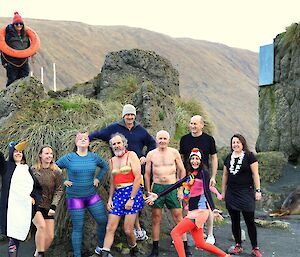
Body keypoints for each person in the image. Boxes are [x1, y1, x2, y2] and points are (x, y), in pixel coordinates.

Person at [146, 148, 231, 257]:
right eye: (192, 159)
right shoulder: (191, 174)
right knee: (200, 244)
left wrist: (213, 209)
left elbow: (206, 190)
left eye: (197, 159)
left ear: (201, 160)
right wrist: (158, 195)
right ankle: (226, 256)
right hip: (193, 211)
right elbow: (176, 185)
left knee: (175, 233)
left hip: (200, 212)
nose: (194, 161)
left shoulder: (203, 173)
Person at [89, 104, 156, 241]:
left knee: (136, 197)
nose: (130, 117)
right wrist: (85, 139)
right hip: (120, 169)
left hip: (136, 169)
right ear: (123, 116)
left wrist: (145, 155)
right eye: (127, 115)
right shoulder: (115, 128)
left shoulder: (141, 130)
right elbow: (100, 134)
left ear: (135, 116)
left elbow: (152, 143)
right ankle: (135, 229)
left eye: (132, 115)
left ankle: (137, 228)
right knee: (130, 199)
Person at [56, 132, 109, 257]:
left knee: (103, 220)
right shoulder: (69, 158)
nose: (83, 140)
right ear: (76, 142)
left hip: (91, 196)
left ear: (89, 142)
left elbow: (105, 166)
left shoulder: (93, 157)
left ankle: (100, 248)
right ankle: (77, 255)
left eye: (86, 138)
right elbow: (54, 168)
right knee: (78, 228)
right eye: (80, 139)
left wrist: (98, 179)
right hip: (75, 198)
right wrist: (64, 181)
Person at [144, 130, 191, 257]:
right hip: (157, 188)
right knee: (156, 218)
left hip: (172, 187)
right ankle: (155, 250)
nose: (162, 141)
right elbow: (147, 174)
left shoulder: (174, 152)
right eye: (160, 138)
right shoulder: (151, 154)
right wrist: (148, 192)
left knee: (178, 217)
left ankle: (186, 249)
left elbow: (182, 171)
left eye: (165, 138)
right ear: (156, 140)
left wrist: (180, 189)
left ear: (168, 140)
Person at [99, 133, 144, 257]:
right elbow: (113, 182)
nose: (117, 146)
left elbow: (137, 178)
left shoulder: (132, 155)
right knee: (110, 227)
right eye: (114, 144)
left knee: (128, 230)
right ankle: (105, 252)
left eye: (119, 143)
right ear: (112, 146)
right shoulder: (112, 160)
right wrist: (110, 199)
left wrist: (131, 199)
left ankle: (134, 249)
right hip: (118, 194)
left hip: (132, 193)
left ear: (124, 143)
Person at [221, 134, 263, 257]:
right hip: (232, 193)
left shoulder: (250, 156)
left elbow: (255, 174)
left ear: (243, 143)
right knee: (235, 221)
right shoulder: (228, 157)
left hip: (246, 192)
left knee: (250, 221)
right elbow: (225, 176)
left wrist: (258, 190)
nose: (235, 144)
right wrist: (223, 192)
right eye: (233, 142)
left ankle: (255, 247)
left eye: (238, 142)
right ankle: (238, 245)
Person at [179, 115, 218, 244]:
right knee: (186, 203)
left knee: (206, 203)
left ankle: (210, 234)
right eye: (191, 123)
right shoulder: (184, 139)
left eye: (195, 124)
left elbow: (214, 158)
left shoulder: (208, 139)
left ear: (202, 125)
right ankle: (184, 233)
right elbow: (181, 158)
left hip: (203, 176)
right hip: (188, 176)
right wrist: (180, 176)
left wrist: (213, 176)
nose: (193, 126)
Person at [0, 141, 42, 257]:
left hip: (24, 208)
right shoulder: (6, 167)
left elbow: (36, 187)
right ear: (11, 153)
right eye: (15, 151)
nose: (18, 153)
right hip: (11, 209)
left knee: (18, 236)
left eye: (20, 152)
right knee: (13, 238)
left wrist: (33, 198)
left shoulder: (27, 169)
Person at [32, 145, 64, 257]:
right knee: (41, 226)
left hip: (49, 206)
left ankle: (37, 254)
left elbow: (59, 190)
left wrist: (54, 206)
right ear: (40, 155)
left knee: (50, 236)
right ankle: (40, 253)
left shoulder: (57, 172)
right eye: (46, 153)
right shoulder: (33, 170)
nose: (49, 156)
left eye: (51, 153)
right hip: (35, 205)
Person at [1, 12, 31, 87]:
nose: (19, 25)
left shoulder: (25, 35)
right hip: (11, 63)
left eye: (20, 23)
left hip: (24, 62)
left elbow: (29, 47)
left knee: (25, 81)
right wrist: (4, 63)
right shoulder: (9, 35)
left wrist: (32, 52)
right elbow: (3, 49)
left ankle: (23, 98)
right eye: (16, 23)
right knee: (12, 82)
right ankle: (9, 98)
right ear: (13, 24)